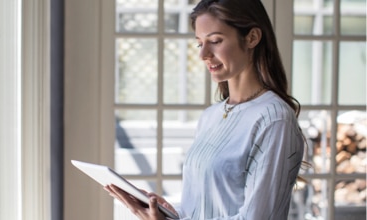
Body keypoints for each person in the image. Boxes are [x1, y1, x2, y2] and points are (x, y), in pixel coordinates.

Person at [104, 0, 305, 219]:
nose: (203, 55)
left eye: (215, 41)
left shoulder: (274, 118)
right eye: (200, 43)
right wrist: (168, 212)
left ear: (252, 38)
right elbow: (201, 209)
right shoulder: (212, 115)